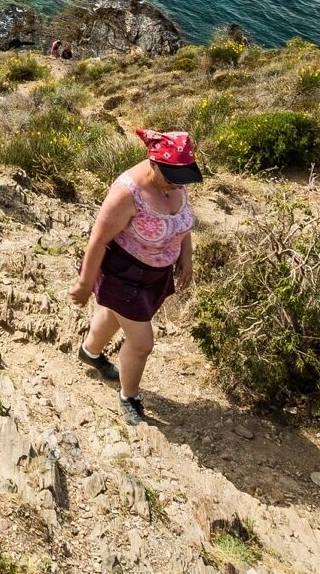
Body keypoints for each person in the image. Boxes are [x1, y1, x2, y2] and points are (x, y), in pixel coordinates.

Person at [70, 129, 201, 426]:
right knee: (142, 343)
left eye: (181, 179)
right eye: (170, 178)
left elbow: (184, 221)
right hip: (123, 275)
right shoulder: (127, 193)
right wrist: (85, 283)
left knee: (115, 317)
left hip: (154, 275)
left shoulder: (175, 178)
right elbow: (98, 241)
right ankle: (129, 397)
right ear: (153, 163)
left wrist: (185, 255)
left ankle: (89, 352)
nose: (176, 185)